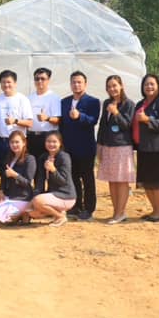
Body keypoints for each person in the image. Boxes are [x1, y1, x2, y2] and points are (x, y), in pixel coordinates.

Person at [59, 71, 100, 221]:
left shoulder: (93, 101)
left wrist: (79, 116)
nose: (76, 85)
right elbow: (61, 124)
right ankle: (75, 206)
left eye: (79, 82)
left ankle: (89, 208)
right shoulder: (64, 102)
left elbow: (93, 120)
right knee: (73, 177)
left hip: (85, 147)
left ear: (85, 84)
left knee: (87, 178)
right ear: (70, 84)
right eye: (74, 82)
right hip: (69, 147)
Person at [133, 74, 159, 223]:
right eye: (146, 84)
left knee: (157, 182)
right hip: (144, 148)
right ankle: (155, 210)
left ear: (158, 86)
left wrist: (147, 119)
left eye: (152, 84)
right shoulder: (140, 104)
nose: (149, 87)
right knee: (147, 182)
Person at [96, 75, 136, 224]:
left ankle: (120, 212)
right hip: (108, 146)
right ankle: (116, 212)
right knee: (112, 180)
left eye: (114, 85)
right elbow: (102, 125)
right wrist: (99, 145)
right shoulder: (107, 103)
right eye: (109, 86)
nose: (112, 89)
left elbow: (127, 125)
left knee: (122, 180)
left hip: (122, 146)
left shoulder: (129, 104)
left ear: (121, 86)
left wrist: (116, 113)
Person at [26, 132, 76, 227]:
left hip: (66, 195)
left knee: (38, 201)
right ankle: (59, 211)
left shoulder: (64, 157)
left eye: (54, 142)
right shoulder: (43, 157)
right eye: (48, 141)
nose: (51, 144)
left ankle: (60, 216)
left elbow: (63, 181)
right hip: (52, 195)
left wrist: (53, 170)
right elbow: (40, 182)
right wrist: (33, 199)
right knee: (32, 212)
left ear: (60, 143)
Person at [0, 70, 33, 181]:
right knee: (2, 170)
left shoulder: (23, 99)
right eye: (3, 82)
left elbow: (30, 123)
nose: (6, 85)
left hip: (17, 143)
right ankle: (4, 190)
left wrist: (15, 121)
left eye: (9, 82)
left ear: (15, 83)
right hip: (1, 141)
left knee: (17, 171)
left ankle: (18, 190)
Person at [0, 131, 36, 224]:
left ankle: (23, 213)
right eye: (12, 142)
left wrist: (15, 175)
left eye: (17, 142)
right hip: (10, 195)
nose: (14, 145)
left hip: (22, 197)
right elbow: (4, 177)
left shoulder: (30, 159)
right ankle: (19, 215)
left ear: (24, 143)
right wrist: (1, 191)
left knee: (8, 220)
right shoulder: (9, 158)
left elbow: (27, 182)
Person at [27, 67, 62, 159]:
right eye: (37, 79)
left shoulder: (54, 97)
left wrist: (47, 118)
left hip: (48, 137)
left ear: (48, 80)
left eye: (43, 79)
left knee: (46, 163)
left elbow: (58, 120)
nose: (39, 81)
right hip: (31, 136)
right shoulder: (29, 98)